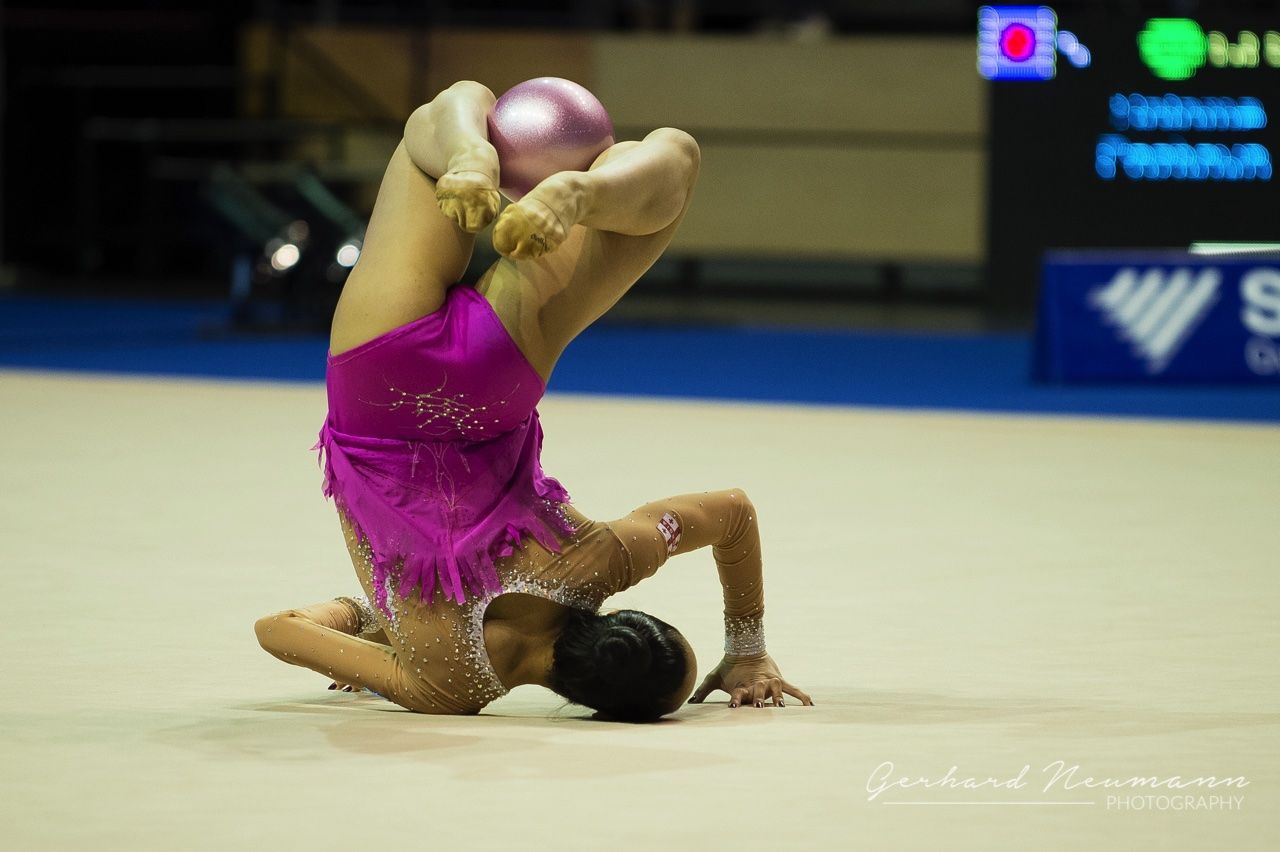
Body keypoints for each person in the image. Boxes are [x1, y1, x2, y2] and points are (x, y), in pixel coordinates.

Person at [254, 80, 813, 721]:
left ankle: (531, 176)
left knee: (670, 156)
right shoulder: (448, 685)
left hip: (489, 386)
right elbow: (280, 630)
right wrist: (377, 615)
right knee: (419, 154)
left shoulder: (600, 565)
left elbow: (732, 513)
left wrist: (747, 649)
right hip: (378, 388)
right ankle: (488, 162)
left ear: (619, 621)